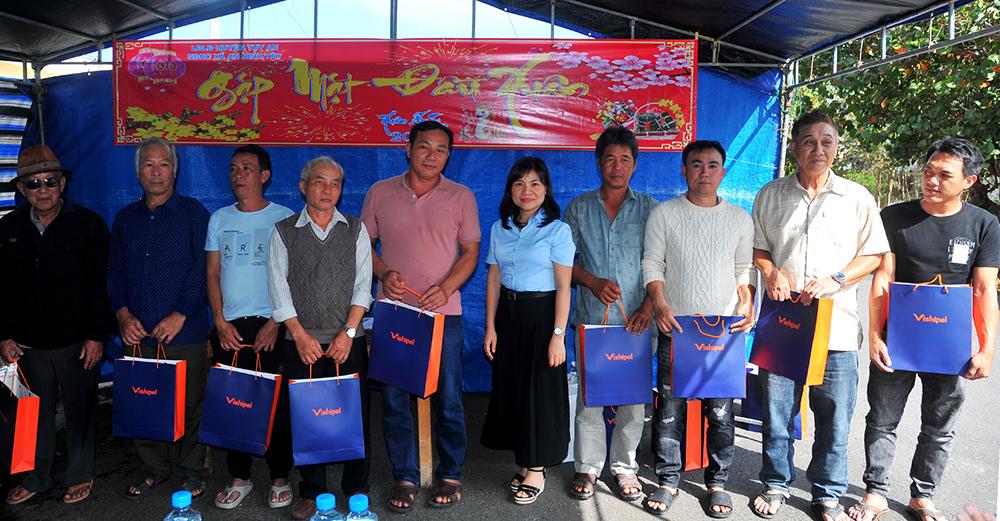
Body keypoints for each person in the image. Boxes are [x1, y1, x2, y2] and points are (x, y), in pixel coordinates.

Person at [849, 138, 998, 521]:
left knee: (939, 426)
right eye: (928, 171)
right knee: (881, 420)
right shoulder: (894, 217)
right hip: (898, 340)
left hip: (951, 346)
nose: (931, 180)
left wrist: (986, 349)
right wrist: (876, 336)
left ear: (969, 181)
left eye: (944, 175)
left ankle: (923, 496)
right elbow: (883, 279)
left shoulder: (983, 225)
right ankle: (876, 492)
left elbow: (983, 290)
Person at [750, 111, 889, 521]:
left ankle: (827, 493)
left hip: (837, 330)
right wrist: (771, 272)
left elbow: (874, 254)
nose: (818, 149)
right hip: (784, 327)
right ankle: (776, 483)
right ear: (794, 146)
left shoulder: (857, 197)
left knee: (834, 420)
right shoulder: (770, 195)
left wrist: (837, 279)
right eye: (809, 141)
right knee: (777, 415)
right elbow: (758, 248)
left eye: (827, 141)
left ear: (836, 147)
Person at [360, 120, 480, 511]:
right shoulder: (380, 192)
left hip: (444, 314)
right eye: (424, 146)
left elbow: (471, 253)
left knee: (449, 396)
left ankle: (450, 473)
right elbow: (363, 246)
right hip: (395, 313)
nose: (432, 155)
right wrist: (383, 273)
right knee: (395, 399)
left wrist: (447, 288)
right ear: (408, 149)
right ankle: (405, 476)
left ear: (449, 156)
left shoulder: (461, 196)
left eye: (441, 149)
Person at [641, 140, 755, 518]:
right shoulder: (664, 214)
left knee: (720, 414)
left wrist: (747, 300)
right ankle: (667, 479)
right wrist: (659, 301)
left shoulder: (739, 218)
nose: (704, 172)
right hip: (677, 329)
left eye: (712, 165)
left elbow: (744, 269)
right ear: (684, 170)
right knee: (669, 409)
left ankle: (717, 482)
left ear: (723, 171)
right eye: (696, 164)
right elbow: (652, 263)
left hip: (723, 334)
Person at [0, 145, 111, 505]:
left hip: (76, 342)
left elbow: (101, 286)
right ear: (22, 189)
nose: (43, 189)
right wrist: (3, 336)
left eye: (50, 181)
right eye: (34, 183)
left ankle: (79, 474)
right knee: (30, 413)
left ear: (62, 184)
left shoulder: (89, 224)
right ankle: (36, 477)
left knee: (81, 411)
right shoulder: (7, 228)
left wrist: (96, 335)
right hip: (26, 345)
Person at [266, 156, 373, 521]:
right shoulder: (283, 231)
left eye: (335, 183)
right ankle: (312, 491)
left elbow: (363, 287)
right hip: (301, 342)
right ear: (303, 186)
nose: (328, 190)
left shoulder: (356, 230)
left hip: (348, 339)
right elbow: (278, 289)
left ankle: (356, 488)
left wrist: (348, 333)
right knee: (308, 417)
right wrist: (299, 335)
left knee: (353, 415)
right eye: (319, 181)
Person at [108, 137, 211, 500]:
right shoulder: (125, 219)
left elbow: (205, 270)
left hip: (186, 330)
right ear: (138, 172)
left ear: (175, 171)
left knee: (191, 403)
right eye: (148, 164)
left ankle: (192, 470)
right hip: (138, 333)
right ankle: (153, 467)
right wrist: (122, 315)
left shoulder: (194, 214)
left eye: (163, 164)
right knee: (143, 401)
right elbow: (115, 272)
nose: (156, 172)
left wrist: (181, 313)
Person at [563, 126, 656, 503]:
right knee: (592, 398)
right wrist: (590, 281)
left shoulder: (651, 209)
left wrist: (648, 306)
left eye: (625, 159)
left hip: (637, 321)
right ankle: (587, 465)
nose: (617, 167)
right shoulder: (579, 208)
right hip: (593, 320)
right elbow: (563, 263)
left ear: (635, 164)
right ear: (598, 162)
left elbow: (662, 264)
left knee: (633, 402)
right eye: (610, 159)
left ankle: (624, 466)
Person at [205, 144, 295, 510]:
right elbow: (213, 273)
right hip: (229, 326)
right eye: (233, 169)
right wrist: (218, 319)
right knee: (233, 403)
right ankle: (239, 477)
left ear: (264, 175)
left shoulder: (284, 218)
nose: (238, 175)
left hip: (272, 324)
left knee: (276, 403)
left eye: (247, 168)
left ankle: (279, 477)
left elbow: (292, 277)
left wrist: (276, 321)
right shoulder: (219, 219)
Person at [481, 156, 575, 505]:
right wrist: (490, 327)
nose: (527, 190)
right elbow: (493, 279)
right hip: (508, 315)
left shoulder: (557, 230)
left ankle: (536, 467)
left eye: (535, 183)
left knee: (540, 392)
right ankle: (525, 457)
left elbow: (564, 287)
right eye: (520, 183)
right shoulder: (500, 228)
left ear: (546, 189)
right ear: (510, 190)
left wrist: (557, 335)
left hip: (542, 316)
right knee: (515, 389)